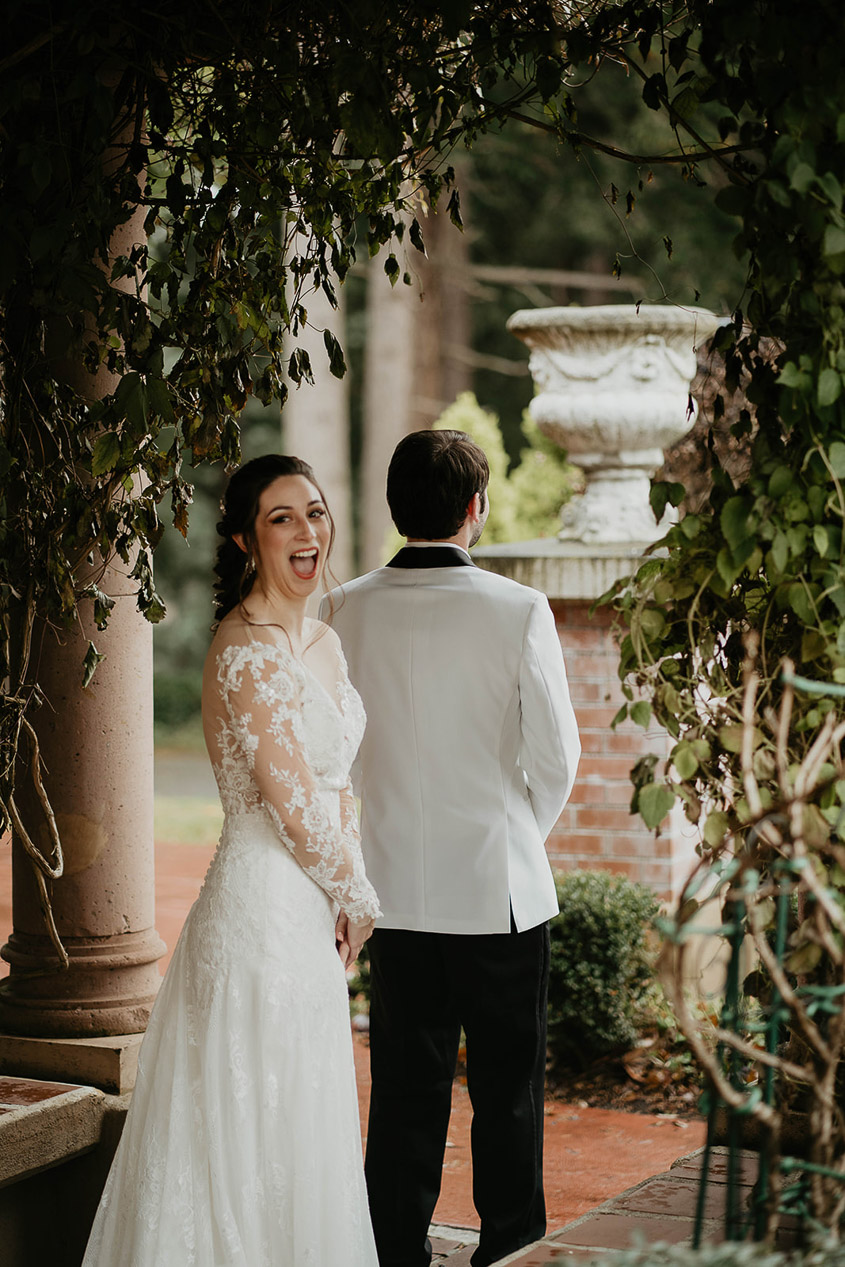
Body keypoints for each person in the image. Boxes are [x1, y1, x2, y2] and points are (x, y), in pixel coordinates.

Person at [83, 454, 381, 1267]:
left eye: (314, 511)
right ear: (249, 539)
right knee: (244, 1127)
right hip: (259, 915)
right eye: (283, 516)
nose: (306, 529)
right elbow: (289, 802)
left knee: (299, 1120)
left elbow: (336, 783)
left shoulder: (322, 640)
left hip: (312, 915)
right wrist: (358, 894)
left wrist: (344, 891)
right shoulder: (245, 647)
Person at [321, 429, 580, 1267]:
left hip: (392, 889)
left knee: (402, 1087)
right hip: (499, 892)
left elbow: (338, 754)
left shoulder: (343, 608)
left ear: (399, 508)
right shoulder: (518, 609)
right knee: (508, 1089)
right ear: (476, 509)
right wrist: (514, 834)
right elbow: (557, 758)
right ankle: (507, 1248)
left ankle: (395, 1249)